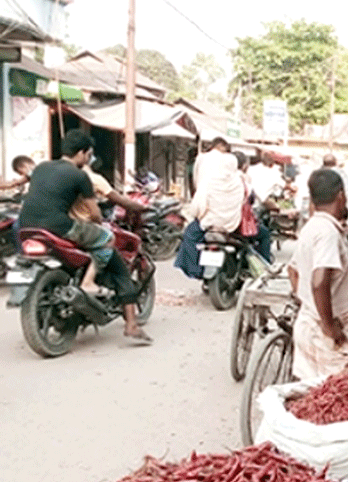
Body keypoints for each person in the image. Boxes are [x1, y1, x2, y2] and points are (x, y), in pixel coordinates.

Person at [18, 129, 150, 344]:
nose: (89, 158)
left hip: (26, 226)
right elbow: (96, 214)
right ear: (81, 153)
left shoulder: (41, 168)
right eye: (89, 154)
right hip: (59, 226)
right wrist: (99, 224)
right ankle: (90, 284)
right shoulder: (81, 176)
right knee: (107, 238)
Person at [287, 168, 348, 381]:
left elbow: (293, 271)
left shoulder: (310, 227)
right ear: (341, 196)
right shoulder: (328, 233)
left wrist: (308, 306)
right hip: (324, 336)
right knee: (335, 401)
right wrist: (329, 326)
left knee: (311, 397)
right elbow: (319, 281)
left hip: (307, 325)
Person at [174, 137, 246, 278]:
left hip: (209, 223)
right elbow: (242, 202)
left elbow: (197, 204)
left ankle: (196, 270)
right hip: (231, 225)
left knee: (189, 236)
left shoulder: (209, 179)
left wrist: (199, 215)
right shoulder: (239, 183)